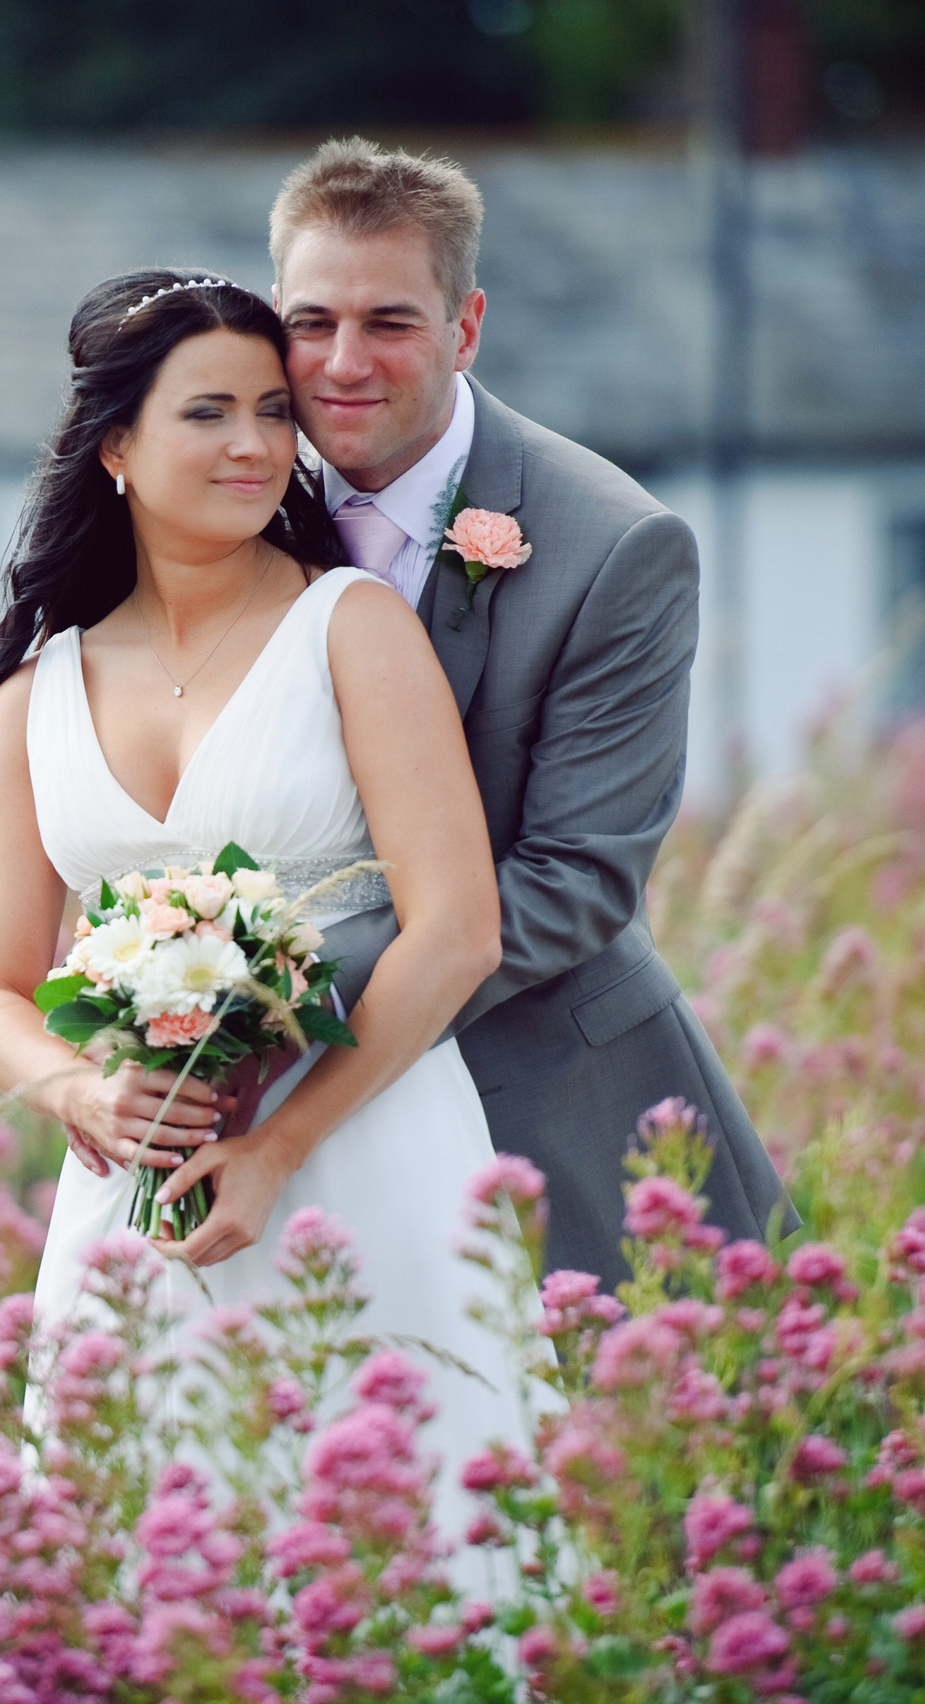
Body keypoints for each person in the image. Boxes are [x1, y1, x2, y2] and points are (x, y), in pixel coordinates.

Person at [0, 266, 534, 1509]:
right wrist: (78, 1087)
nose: (257, 444)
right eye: (209, 412)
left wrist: (278, 1145)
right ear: (115, 443)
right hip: (136, 1176)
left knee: (402, 1518)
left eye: (274, 412)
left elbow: (457, 931)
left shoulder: (352, 625)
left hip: (359, 1139)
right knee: (140, 1523)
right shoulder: (31, 696)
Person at [270, 138, 789, 1292]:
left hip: (542, 1095)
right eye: (312, 322)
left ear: (465, 327)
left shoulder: (615, 546)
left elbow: (576, 877)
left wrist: (271, 992)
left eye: (390, 322)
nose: (343, 363)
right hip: (272, 1115)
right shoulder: (230, 499)